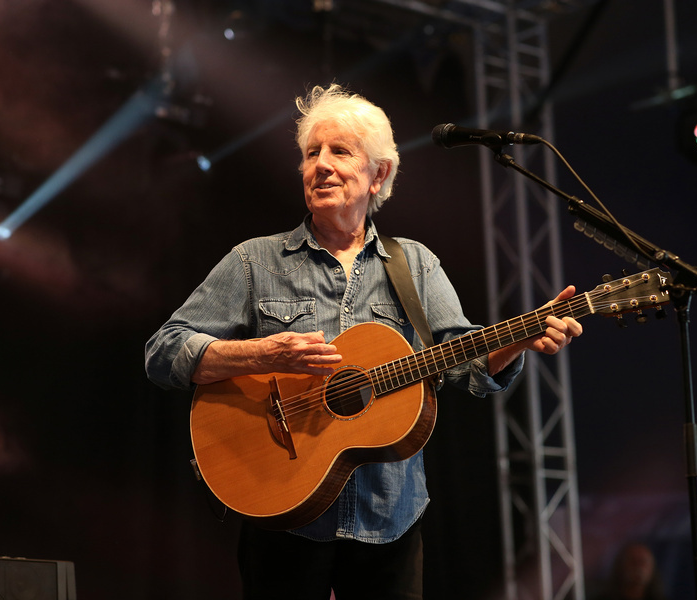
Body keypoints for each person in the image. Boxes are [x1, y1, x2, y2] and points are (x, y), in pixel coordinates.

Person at [144, 83, 583, 600]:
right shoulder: (254, 261)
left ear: (380, 175)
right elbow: (163, 351)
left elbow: (467, 365)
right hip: (282, 510)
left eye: (340, 151)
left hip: (389, 517)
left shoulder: (415, 264)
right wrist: (262, 352)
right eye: (311, 154)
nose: (320, 166)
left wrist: (522, 337)